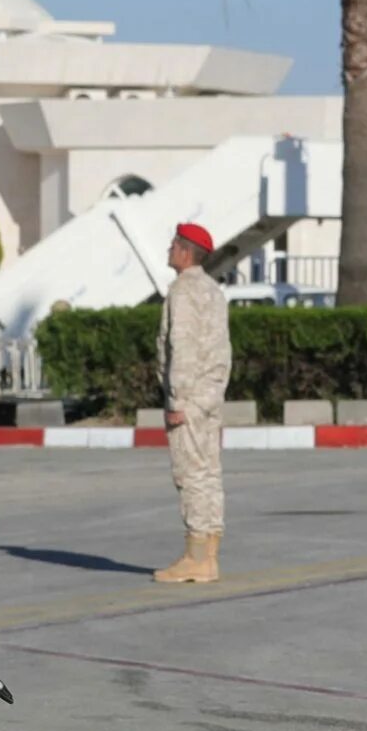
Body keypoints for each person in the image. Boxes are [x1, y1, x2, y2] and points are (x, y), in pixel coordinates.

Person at [152, 221, 230, 585]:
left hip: (190, 398)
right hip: (211, 395)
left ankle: (196, 557)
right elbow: (222, 351)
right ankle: (209, 554)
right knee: (209, 475)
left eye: (173, 245)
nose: (169, 249)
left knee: (191, 476)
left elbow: (181, 347)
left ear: (185, 251)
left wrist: (178, 398)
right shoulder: (213, 291)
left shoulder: (183, 291)